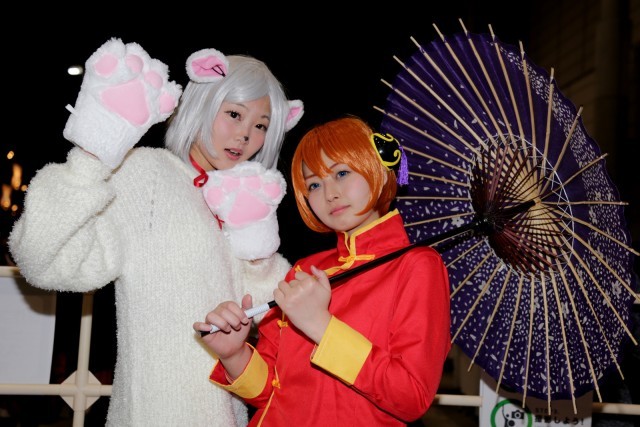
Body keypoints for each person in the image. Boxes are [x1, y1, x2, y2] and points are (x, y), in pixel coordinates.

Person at [8, 38, 303, 426]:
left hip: (227, 413)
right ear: (202, 104)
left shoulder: (238, 197)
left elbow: (275, 309)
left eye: (261, 125)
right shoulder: (147, 174)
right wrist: (91, 156)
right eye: (234, 114)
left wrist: (259, 248)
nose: (246, 134)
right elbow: (43, 260)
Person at [194, 116, 452, 426]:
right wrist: (234, 355)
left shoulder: (416, 265)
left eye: (342, 173)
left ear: (379, 171)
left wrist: (321, 325)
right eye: (314, 184)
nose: (329, 194)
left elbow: (411, 396)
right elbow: (271, 392)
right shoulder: (305, 269)